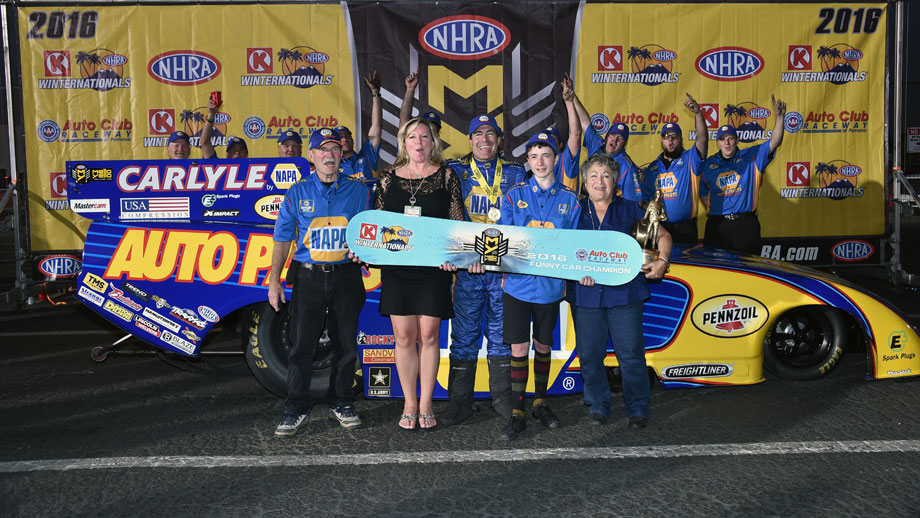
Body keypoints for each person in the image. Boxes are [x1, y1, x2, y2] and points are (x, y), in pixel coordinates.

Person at [267, 127, 372, 437]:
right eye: (322, 150)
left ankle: (342, 401)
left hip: (346, 276)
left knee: (345, 344)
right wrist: (274, 281)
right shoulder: (297, 192)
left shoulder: (359, 191)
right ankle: (296, 406)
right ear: (310, 156)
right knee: (301, 345)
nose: (330, 155)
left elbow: (368, 232)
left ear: (341, 156)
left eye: (335, 150)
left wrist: (364, 252)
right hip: (308, 274)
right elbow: (283, 237)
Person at [371, 118, 465, 431]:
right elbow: (375, 227)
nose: (420, 142)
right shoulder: (387, 180)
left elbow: (457, 225)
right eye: (413, 137)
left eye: (425, 136)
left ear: (433, 141)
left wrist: (454, 257)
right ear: (404, 142)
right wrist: (366, 251)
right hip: (398, 270)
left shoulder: (447, 176)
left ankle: (426, 403)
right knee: (403, 337)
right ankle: (409, 402)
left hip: (434, 270)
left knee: (429, 337)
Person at [571, 154, 671, 430]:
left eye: (605, 175)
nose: (599, 181)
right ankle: (598, 404)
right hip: (585, 293)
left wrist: (661, 261)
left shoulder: (631, 209)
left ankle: (638, 406)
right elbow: (560, 250)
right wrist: (574, 271)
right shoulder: (573, 210)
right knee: (590, 354)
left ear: (615, 181)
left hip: (625, 293)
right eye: (593, 175)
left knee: (630, 354)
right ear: (585, 181)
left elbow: (662, 236)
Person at [441, 114, 526, 426]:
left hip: (503, 266)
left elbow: (521, 216)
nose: (485, 140)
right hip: (468, 268)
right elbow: (448, 216)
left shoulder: (516, 171)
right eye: (479, 134)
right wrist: (466, 254)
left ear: (499, 141)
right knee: (464, 334)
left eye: (491, 134)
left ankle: (503, 400)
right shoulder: (455, 170)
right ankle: (458, 403)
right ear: (470, 139)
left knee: (501, 334)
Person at [498, 130, 581, 440]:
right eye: (534, 156)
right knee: (518, 346)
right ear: (528, 163)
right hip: (517, 286)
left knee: (543, 345)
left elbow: (575, 245)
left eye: (546, 155)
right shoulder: (513, 195)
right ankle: (518, 410)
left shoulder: (571, 200)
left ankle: (541, 402)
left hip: (549, 287)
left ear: (556, 159)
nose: (540, 161)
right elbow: (501, 237)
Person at [700, 95, 787, 254]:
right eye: (723, 139)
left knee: (749, 268)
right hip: (718, 225)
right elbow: (703, 192)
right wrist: (715, 211)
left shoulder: (752, 156)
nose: (727, 143)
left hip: (745, 224)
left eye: (730, 138)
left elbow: (774, 142)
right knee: (715, 269)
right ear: (717, 142)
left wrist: (780, 117)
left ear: (737, 140)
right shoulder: (707, 165)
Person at [641, 93, 708, 244]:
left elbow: (702, 139)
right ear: (662, 140)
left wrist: (698, 113)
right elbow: (644, 201)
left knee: (686, 266)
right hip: (658, 228)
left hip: (685, 228)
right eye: (666, 136)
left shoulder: (690, 159)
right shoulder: (652, 169)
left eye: (674, 136)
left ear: (681, 139)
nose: (670, 140)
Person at [573, 96, 647, 202]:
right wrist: (572, 98)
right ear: (607, 137)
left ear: (625, 144)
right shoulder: (597, 145)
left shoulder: (627, 167)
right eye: (613, 135)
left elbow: (634, 202)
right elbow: (584, 122)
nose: (615, 140)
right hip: (587, 208)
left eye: (620, 138)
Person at [336, 71, 383, 181]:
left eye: (347, 136)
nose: (344, 139)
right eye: (340, 137)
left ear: (352, 140)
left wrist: (375, 93)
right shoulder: (331, 166)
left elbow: (376, 127)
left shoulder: (367, 156)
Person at [553, 73, 583, 193]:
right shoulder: (540, 165)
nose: (548, 145)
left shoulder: (566, 161)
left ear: (561, 146)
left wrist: (569, 102)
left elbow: (576, 133)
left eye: (552, 140)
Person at [200, 95, 248, 159]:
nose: (237, 153)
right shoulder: (218, 167)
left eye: (241, 150)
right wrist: (211, 114)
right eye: (233, 150)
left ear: (246, 155)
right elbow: (205, 143)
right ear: (227, 154)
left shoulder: (254, 168)